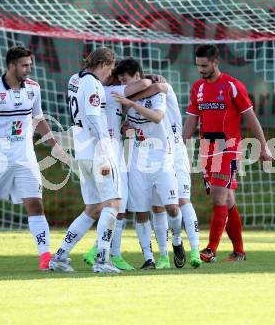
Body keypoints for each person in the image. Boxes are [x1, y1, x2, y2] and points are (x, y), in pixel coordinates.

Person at [0, 45, 68, 272]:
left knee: (35, 204)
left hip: (24, 155)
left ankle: (45, 257)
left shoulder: (33, 88)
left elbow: (39, 120)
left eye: (30, 64)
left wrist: (55, 146)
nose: (28, 69)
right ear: (11, 66)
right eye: (24, 65)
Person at [182, 44, 272, 262]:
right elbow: (192, 119)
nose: (201, 70)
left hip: (229, 147)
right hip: (206, 147)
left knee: (218, 195)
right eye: (198, 66)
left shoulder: (232, 86)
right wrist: (179, 145)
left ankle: (211, 249)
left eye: (204, 65)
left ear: (215, 62)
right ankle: (239, 251)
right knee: (228, 199)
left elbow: (250, 118)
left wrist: (263, 145)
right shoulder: (198, 88)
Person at [49, 47, 122, 273]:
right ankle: (102, 260)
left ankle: (59, 256)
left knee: (93, 208)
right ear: (102, 64)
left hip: (81, 149)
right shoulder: (93, 83)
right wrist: (105, 152)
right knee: (113, 204)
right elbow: (93, 116)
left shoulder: (75, 78)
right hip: (96, 149)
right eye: (109, 69)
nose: (109, 75)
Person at [82, 69, 159, 271]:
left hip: (115, 152)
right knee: (114, 206)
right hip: (109, 152)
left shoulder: (108, 95)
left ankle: (105, 252)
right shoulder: (112, 91)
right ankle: (105, 253)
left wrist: (125, 124)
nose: (124, 82)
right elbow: (148, 86)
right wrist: (151, 79)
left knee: (118, 207)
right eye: (121, 77)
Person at [127, 69, 202, 269]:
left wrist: (133, 95)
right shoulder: (142, 106)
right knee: (158, 207)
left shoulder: (164, 91)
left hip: (176, 151)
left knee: (182, 200)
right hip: (155, 153)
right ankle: (163, 256)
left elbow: (160, 86)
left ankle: (191, 248)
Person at [112, 59, 182, 270]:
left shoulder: (155, 94)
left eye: (127, 80)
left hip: (162, 156)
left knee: (170, 207)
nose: (125, 85)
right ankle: (151, 258)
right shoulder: (124, 101)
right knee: (141, 212)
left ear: (138, 77)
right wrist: (126, 126)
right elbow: (127, 126)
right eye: (121, 81)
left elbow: (158, 117)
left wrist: (132, 104)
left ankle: (177, 241)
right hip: (138, 158)